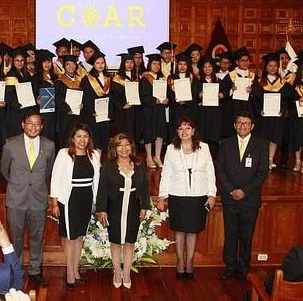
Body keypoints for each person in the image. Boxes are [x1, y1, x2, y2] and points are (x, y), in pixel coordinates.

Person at [0, 113, 56, 286]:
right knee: (15, 238)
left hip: (38, 199)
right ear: (23, 124)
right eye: (30, 123)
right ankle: (15, 270)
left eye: (37, 124)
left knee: (37, 237)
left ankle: (35, 271)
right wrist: (19, 184)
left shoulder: (49, 145)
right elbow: (4, 170)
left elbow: (48, 172)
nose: (33, 127)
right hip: (16, 199)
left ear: (42, 127)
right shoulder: (11, 144)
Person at [157, 117, 216, 280]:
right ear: (177, 131)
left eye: (188, 128)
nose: (184, 131)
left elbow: (210, 171)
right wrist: (162, 196)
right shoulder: (171, 148)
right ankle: (180, 260)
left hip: (198, 196)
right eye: (181, 128)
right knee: (179, 231)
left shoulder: (204, 148)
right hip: (178, 196)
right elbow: (166, 173)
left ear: (193, 131)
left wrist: (212, 194)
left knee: (192, 231)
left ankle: (190, 262)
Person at [218, 111, 268, 281]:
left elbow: (262, 173)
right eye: (239, 123)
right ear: (234, 125)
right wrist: (232, 190)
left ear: (252, 126)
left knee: (247, 235)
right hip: (230, 198)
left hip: (250, 199)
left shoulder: (261, 145)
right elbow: (221, 170)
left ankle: (244, 267)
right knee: (230, 233)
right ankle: (230, 265)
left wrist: (245, 191)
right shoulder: (225, 144)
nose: (242, 126)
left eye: (246, 123)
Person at [51, 123, 101, 290]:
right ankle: (70, 273)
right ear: (73, 138)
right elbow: (55, 177)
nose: (82, 140)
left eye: (85, 136)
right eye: (79, 136)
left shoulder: (94, 155)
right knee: (70, 238)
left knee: (79, 236)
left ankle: (76, 270)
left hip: (86, 199)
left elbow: (97, 180)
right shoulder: (63, 154)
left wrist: (95, 201)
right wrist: (54, 202)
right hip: (69, 200)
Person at [97, 133, 149, 289]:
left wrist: (145, 206)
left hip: (133, 207)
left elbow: (145, 186)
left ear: (131, 147)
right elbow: (102, 189)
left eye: (127, 144)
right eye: (120, 145)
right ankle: (117, 271)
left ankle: (126, 271)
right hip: (114, 208)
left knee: (129, 241)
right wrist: (102, 209)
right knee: (115, 241)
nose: (124, 148)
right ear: (114, 148)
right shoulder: (108, 165)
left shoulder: (140, 164)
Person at [252, 52, 293, 170]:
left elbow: (286, 100)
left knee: (274, 137)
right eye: (270, 66)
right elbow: (255, 100)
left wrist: (283, 110)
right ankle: (263, 159)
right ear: (266, 67)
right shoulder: (259, 82)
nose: (272, 68)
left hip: (276, 115)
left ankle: (270, 159)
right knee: (263, 137)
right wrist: (259, 110)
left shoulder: (283, 83)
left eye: (275, 65)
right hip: (263, 115)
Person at [140, 53, 169, 168]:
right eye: (154, 63)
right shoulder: (145, 78)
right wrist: (154, 100)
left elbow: (168, 94)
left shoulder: (162, 79)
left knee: (159, 132)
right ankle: (149, 157)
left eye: (158, 64)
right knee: (149, 132)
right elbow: (143, 95)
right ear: (149, 64)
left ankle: (157, 156)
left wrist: (167, 100)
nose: (156, 66)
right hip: (149, 110)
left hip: (160, 109)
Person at [221, 47, 256, 138]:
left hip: (248, 108)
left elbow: (258, 95)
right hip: (233, 110)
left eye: (247, 60)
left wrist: (253, 91)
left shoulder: (253, 76)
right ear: (237, 62)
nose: (245, 62)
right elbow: (222, 93)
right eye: (242, 60)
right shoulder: (230, 76)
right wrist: (231, 91)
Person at [194, 56, 225, 157]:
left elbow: (225, 95)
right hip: (202, 113)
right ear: (202, 68)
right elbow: (193, 97)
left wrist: (222, 95)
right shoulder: (197, 81)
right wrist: (199, 96)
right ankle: (201, 156)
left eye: (209, 66)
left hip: (215, 112)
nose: (207, 69)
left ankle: (213, 157)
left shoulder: (219, 81)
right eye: (205, 67)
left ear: (213, 68)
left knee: (213, 135)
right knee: (203, 134)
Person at [80, 51, 111, 152]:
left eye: (102, 63)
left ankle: (99, 161)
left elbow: (111, 96)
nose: (101, 65)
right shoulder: (86, 79)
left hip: (104, 115)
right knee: (93, 139)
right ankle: (93, 161)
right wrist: (91, 111)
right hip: (92, 115)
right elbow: (85, 97)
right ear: (93, 65)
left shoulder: (108, 78)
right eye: (97, 63)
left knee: (103, 139)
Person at [111, 53, 141, 142]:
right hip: (123, 112)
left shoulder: (136, 77)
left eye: (131, 62)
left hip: (135, 110)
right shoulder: (117, 78)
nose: (129, 65)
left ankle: (133, 153)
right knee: (124, 134)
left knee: (134, 133)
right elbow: (114, 96)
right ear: (123, 63)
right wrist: (122, 106)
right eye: (127, 62)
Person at [55, 55, 83, 146]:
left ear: (76, 65)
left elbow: (84, 96)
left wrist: (83, 104)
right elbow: (58, 98)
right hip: (65, 116)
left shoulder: (80, 80)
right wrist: (67, 109)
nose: (71, 67)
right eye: (68, 64)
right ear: (64, 66)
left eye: (73, 64)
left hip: (78, 115)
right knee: (66, 140)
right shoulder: (59, 81)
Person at [33, 49, 58, 142]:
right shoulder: (35, 78)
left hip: (55, 112)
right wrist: (36, 101)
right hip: (43, 113)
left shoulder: (55, 77)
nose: (47, 64)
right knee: (44, 136)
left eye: (49, 61)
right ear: (40, 63)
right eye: (44, 61)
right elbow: (33, 95)